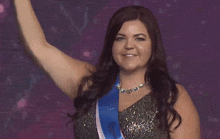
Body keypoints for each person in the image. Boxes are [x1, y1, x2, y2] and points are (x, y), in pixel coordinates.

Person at [14, 0, 200, 139]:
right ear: (111, 44)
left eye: (139, 38)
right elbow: (37, 47)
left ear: (153, 45)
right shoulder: (89, 83)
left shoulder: (171, 96)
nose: (129, 45)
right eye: (120, 38)